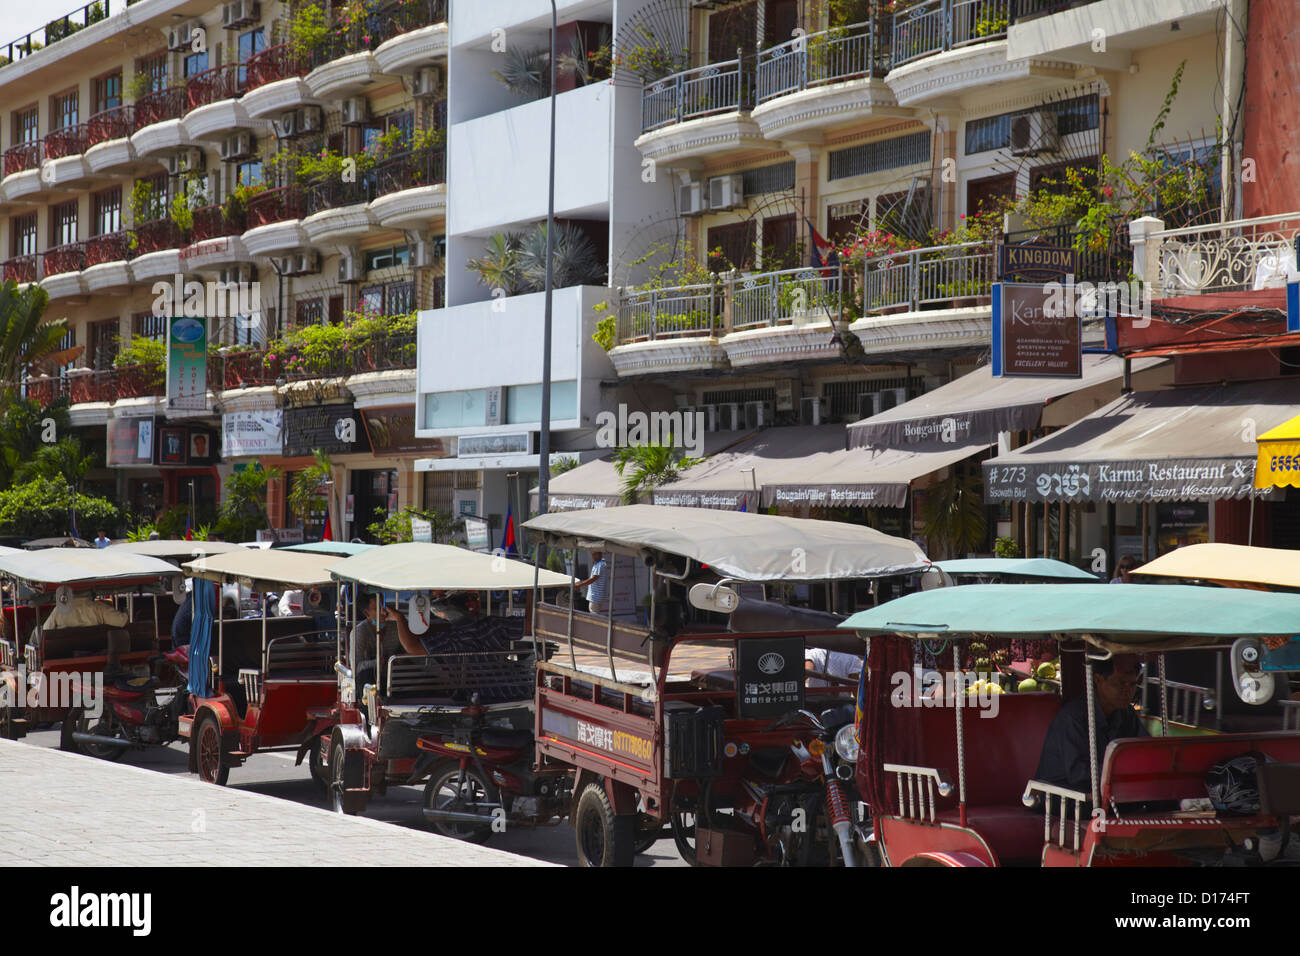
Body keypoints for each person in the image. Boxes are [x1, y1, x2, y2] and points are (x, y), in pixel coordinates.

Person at [1035, 654, 1147, 797]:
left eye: (1132, 684)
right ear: (1098, 679)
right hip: (1065, 798)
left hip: (1105, 793)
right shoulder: (1073, 717)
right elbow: (1078, 775)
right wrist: (1124, 769)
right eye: (1120, 683)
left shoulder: (1126, 713)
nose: (1127, 691)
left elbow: (1143, 747)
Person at [31, 596, 128, 647]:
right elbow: (122, 621)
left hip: (65, 652)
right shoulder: (99, 608)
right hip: (95, 649)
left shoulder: (59, 611)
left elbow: (46, 632)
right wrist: (125, 611)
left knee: (37, 631)